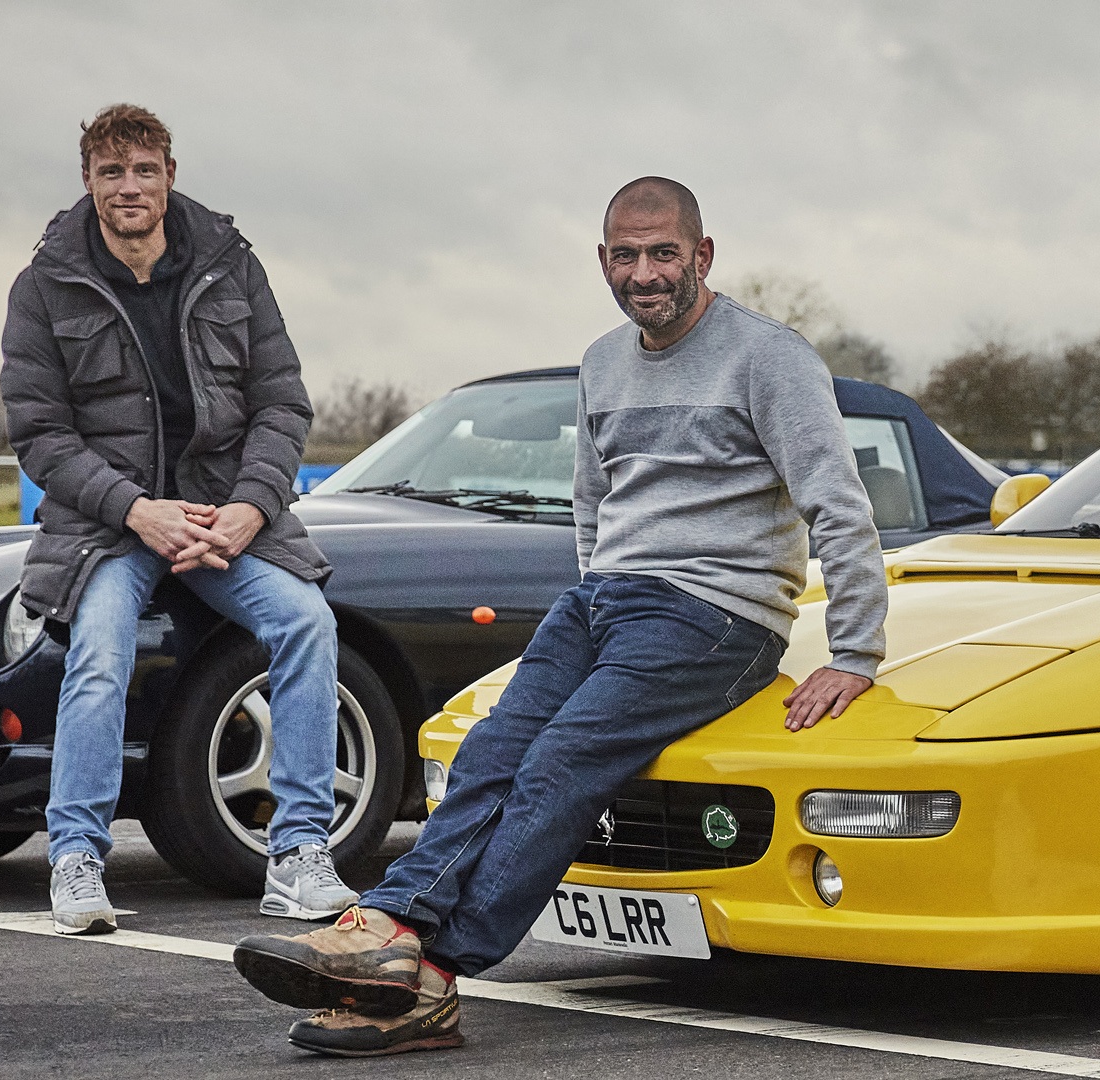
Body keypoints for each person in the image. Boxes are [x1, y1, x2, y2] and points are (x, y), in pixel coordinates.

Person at [231, 177, 888, 1057]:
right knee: (492, 752)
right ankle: (389, 931)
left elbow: (838, 505)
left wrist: (855, 651)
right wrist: (597, 592)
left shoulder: (770, 357)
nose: (645, 273)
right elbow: (592, 501)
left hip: (717, 613)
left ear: (703, 254)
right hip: (604, 600)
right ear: (603, 261)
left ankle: (428, 968)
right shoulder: (603, 362)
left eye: (664, 253)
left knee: (560, 763)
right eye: (626, 255)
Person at [2, 104, 357, 934]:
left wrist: (251, 507)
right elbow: (41, 435)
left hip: (224, 514)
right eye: (111, 172)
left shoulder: (233, 267)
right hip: (108, 527)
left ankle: (299, 855)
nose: (129, 187)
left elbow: (282, 403)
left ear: (170, 174)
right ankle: (77, 860)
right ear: (87, 181)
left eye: (144, 170)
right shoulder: (45, 286)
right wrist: (136, 510)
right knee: (100, 652)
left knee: (308, 622)